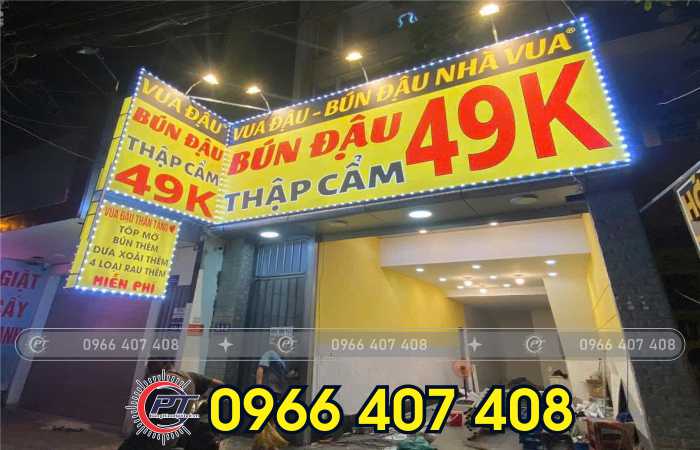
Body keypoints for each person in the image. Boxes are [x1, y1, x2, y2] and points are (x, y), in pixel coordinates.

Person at [119, 359, 223, 450]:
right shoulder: (190, 377)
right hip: (171, 441)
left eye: (152, 368)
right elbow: (218, 384)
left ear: (165, 365)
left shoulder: (159, 384)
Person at [252, 349, 298, 450]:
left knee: (272, 419)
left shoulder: (283, 361)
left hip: (278, 392)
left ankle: (269, 445)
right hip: (268, 390)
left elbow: (283, 376)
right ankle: (260, 445)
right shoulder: (270, 354)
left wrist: (291, 375)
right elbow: (260, 369)